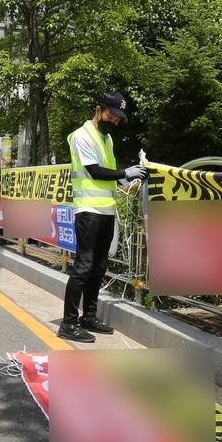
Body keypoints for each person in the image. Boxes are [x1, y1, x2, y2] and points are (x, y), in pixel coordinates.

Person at [57, 90, 145, 343]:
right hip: (88, 211)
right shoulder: (81, 136)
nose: (115, 121)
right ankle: (68, 323)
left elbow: (108, 175)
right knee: (83, 266)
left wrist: (123, 183)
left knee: (98, 267)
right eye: (112, 115)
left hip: (106, 209)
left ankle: (89, 316)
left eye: (119, 118)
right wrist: (125, 173)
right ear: (98, 110)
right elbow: (94, 171)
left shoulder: (107, 139)